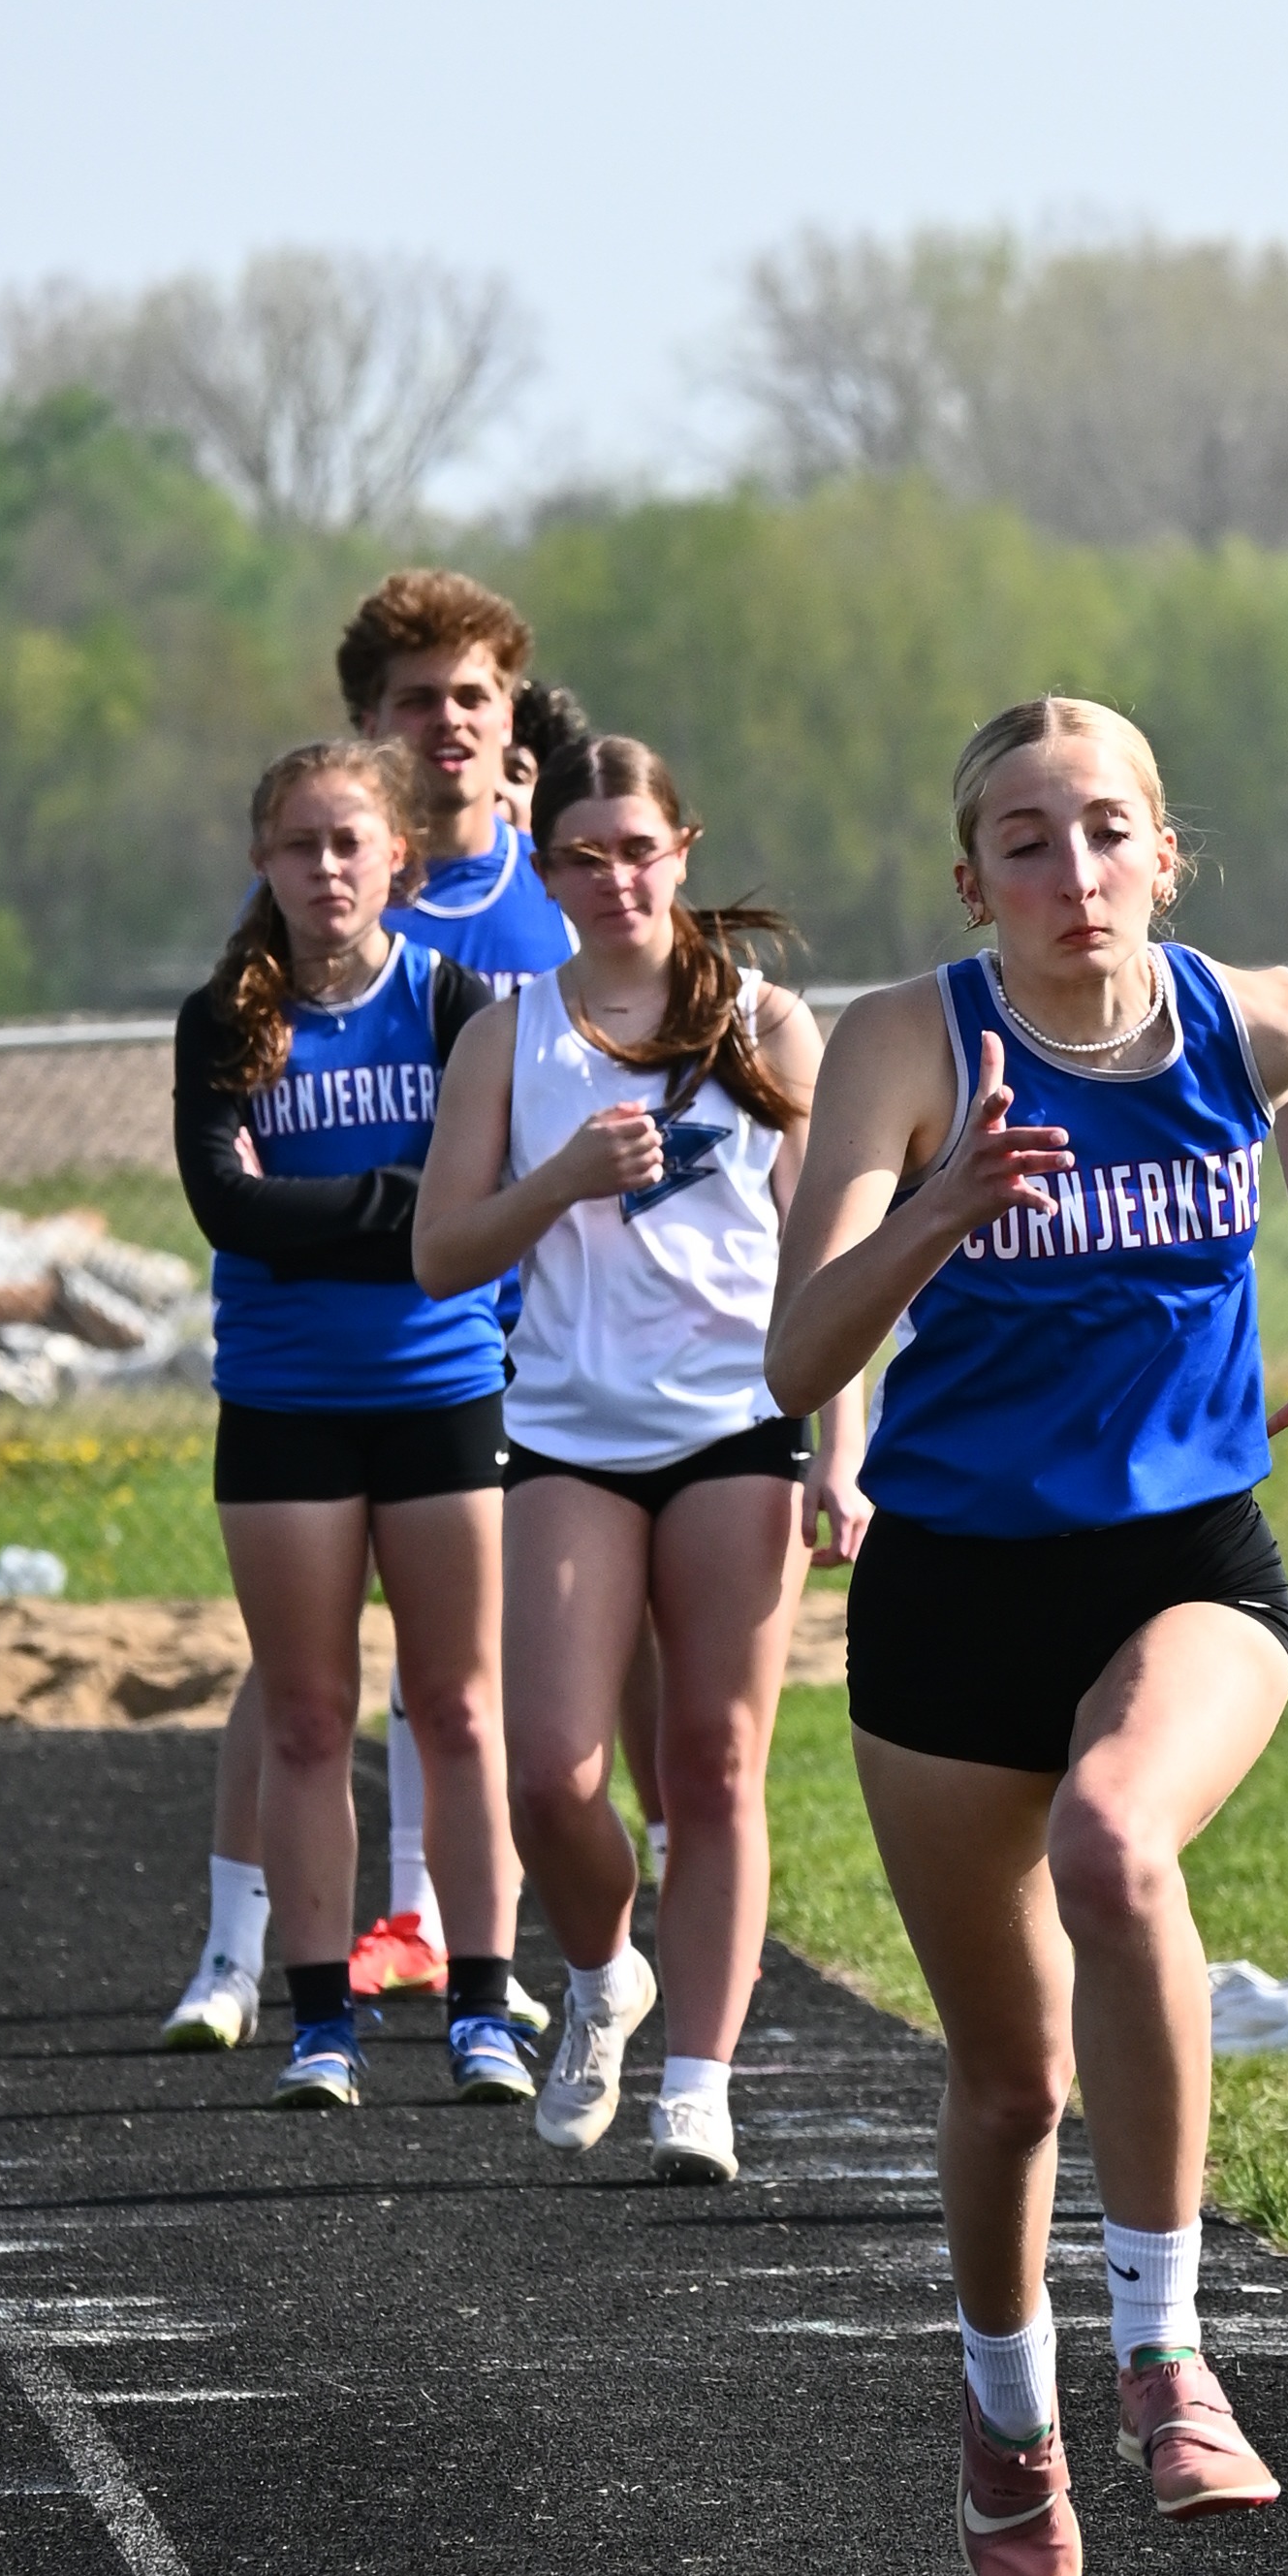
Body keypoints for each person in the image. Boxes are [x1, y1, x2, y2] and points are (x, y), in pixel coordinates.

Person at [767, 693, 1288, 2576]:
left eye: (1105, 831)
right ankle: (1001, 2414)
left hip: (1183, 1565)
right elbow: (794, 1366)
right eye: (1024, 841)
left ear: (1162, 855)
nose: (1071, 873)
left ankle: (1164, 2357)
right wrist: (939, 1214)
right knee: (1004, 2085)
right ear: (970, 877)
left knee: (1122, 1850)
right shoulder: (905, 1043)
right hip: (952, 1590)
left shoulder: (1239, 1017)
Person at [415, 739, 858, 2179]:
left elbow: (836, 1266)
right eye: (583, 857)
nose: (614, 879)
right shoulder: (507, 1033)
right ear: (546, 873)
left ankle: (700, 2088)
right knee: (551, 1773)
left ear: (684, 851)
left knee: (718, 1765)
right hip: (566, 1435)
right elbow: (437, 1258)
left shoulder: (773, 1028)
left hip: (738, 1426)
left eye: (637, 849)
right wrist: (558, 1181)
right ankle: (607, 1974)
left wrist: (836, 1454)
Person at [163, 569, 579, 2046]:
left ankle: (504, 1975)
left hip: (509, 1355)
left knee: (485, 1702)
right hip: (300, 1383)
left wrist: (405, 1215)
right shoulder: (247, 988)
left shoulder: (541, 897)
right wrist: (421, 1211)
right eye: (421, 700)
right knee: (300, 1704)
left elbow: (543, 1155)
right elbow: (236, 1206)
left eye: (477, 697)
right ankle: (260, 1970)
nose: (327, 868)